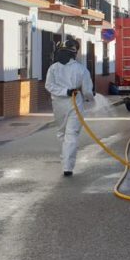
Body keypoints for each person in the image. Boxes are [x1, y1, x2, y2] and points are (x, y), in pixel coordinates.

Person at [44, 38, 94, 177]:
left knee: (64, 134)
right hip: (74, 104)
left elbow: (49, 86)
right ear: (74, 53)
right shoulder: (81, 69)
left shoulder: (53, 68)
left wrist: (62, 92)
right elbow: (88, 91)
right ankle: (67, 164)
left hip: (58, 105)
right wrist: (90, 98)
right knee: (70, 135)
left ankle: (66, 164)